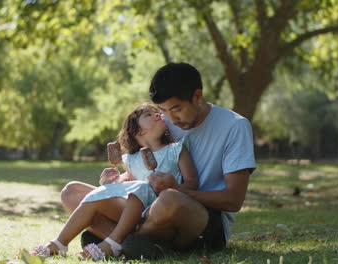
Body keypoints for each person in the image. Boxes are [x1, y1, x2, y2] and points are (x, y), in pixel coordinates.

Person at [61, 62, 256, 257]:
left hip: (201, 219)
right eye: (163, 110)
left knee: (169, 198)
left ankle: (110, 238)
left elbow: (233, 200)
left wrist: (177, 189)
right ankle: (128, 244)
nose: (170, 119)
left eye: (176, 109)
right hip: (147, 210)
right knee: (72, 192)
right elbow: (141, 176)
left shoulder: (234, 126)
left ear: (197, 96)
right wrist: (116, 184)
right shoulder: (164, 123)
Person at [31, 104, 198, 260]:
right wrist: (111, 183)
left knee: (140, 187)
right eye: (149, 114)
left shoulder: (176, 150)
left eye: (157, 112)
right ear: (137, 131)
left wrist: (173, 187)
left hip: (156, 214)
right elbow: (126, 186)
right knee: (71, 190)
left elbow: (192, 184)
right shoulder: (131, 160)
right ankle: (60, 243)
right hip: (131, 213)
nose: (158, 114)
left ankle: (113, 242)